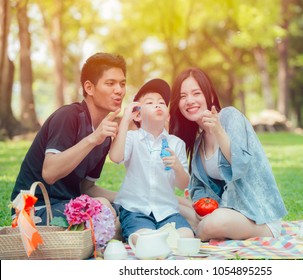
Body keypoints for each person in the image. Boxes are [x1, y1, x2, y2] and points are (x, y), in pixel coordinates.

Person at [169, 67, 287, 241]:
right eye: (183, 96)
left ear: (208, 96)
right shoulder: (199, 142)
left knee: (213, 223)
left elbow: (240, 165)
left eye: (196, 93)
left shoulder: (230, 117)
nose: (190, 100)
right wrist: (202, 207)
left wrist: (218, 130)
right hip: (222, 211)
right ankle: (200, 226)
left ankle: (199, 230)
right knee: (167, 202)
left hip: (255, 214)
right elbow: (199, 188)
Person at [10, 52, 127, 226]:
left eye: (122, 84)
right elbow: (49, 173)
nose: (119, 90)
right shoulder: (68, 116)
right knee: (103, 210)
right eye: (110, 83)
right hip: (34, 210)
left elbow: (86, 188)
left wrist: (127, 198)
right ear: (89, 88)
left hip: (69, 206)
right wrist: (93, 139)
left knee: (129, 208)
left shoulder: (104, 132)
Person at [109, 78, 194, 243]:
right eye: (149, 102)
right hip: (135, 210)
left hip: (167, 212)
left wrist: (177, 166)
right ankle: (151, 238)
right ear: (138, 115)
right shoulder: (131, 138)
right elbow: (115, 157)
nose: (157, 104)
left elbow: (183, 185)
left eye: (161, 102)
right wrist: (125, 120)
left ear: (167, 115)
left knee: (187, 236)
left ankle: (155, 240)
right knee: (143, 237)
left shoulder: (176, 144)